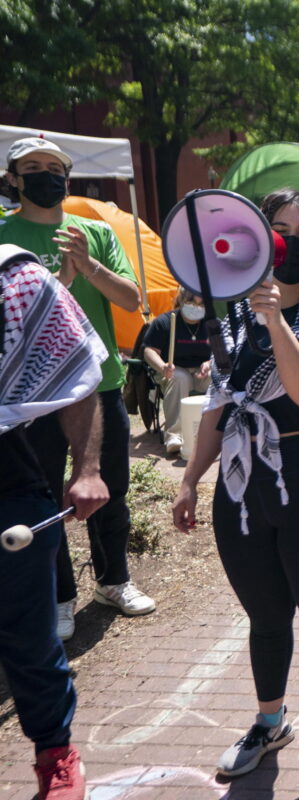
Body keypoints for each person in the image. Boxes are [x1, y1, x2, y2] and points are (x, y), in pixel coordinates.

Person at [170, 189, 299, 795]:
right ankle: (269, 722)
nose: (288, 240)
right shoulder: (230, 312)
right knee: (265, 616)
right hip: (246, 484)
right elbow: (221, 404)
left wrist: (274, 320)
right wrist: (188, 479)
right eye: (276, 227)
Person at [0, 136, 154, 641]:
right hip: (33, 393)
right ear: (14, 179)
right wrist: (60, 282)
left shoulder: (93, 231)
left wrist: (89, 267)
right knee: (43, 497)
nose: (46, 176)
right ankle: (60, 595)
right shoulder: (4, 236)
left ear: (67, 178)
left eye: (54, 167)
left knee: (108, 488)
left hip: (101, 385)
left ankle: (113, 580)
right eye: (33, 168)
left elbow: (132, 300)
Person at [0, 244, 111, 799]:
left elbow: (77, 371)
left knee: (27, 636)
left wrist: (87, 469)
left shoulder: (13, 276)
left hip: (7, 481)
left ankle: (55, 753)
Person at [141, 287, 213, 455]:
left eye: (201, 304)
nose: (196, 307)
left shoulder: (210, 323)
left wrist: (209, 363)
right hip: (173, 371)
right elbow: (149, 351)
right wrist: (162, 367)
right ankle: (174, 435)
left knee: (215, 377)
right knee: (180, 377)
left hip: (200, 372)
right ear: (182, 301)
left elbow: (221, 350)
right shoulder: (165, 322)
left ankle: (211, 432)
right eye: (192, 303)